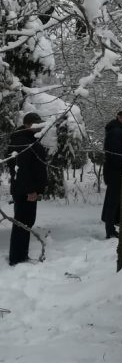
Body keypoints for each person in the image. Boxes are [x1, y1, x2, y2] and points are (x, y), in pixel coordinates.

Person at [7, 112, 47, 266]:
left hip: (27, 190)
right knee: (22, 223)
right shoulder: (21, 141)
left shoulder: (29, 139)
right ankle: (17, 258)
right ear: (27, 125)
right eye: (35, 124)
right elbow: (21, 170)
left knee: (26, 223)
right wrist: (30, 190)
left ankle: (21, 255)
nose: (38, 127)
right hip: (25, 191)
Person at [101, 110, 122, 239]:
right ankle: (110, 230)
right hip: (115, 171)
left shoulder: (119, 129)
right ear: (119, 117)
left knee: (113, 199)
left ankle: (112, 225)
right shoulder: (116, 131)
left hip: (114, 170)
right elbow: (115, 154)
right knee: (112, 200)